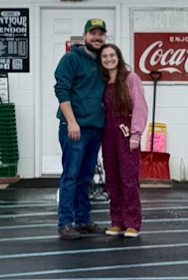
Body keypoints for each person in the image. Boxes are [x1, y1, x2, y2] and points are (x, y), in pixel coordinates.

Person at [54, 18, 108, 240]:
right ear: (84, 36)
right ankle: (65, 223)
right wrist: (72, 122)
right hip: (75, 128)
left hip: (95, 128)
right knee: (71, 176)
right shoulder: (71, 59)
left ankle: (83, 220)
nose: (97, 37)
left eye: (101, 34)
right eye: (92, 33)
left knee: (86, 177)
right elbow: (61, 90)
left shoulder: (104, 61)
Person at [98, 43, 148, 238]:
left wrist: (136, 134)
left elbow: (140, 106)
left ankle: (132, 222)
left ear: (118, 57)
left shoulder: (130, 78)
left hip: (126, 133)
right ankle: (117, 221)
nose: (109, 59)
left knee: (128, 179)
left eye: (112, 55)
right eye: (104, 56)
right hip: (107, 134)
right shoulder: (101, 82)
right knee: (112, 179)